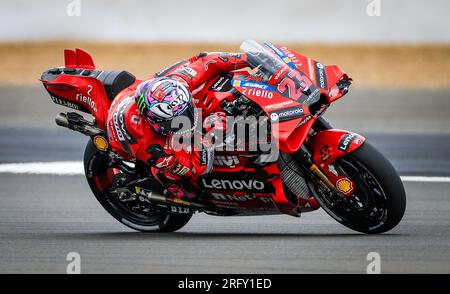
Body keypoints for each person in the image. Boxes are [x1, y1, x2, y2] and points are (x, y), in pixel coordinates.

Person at [106, 52, 248, 199]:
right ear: (156, 122)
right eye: (176, 121)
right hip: (140, 139)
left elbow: (208, 61)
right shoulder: (149, 145)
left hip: (140, 90)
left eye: (187, 111)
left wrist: (248, 58)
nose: (187, 120)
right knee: (187, 188)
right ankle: (167, 182)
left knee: (207, 71)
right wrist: (207, 134)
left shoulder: (178, 83)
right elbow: (196, 168)